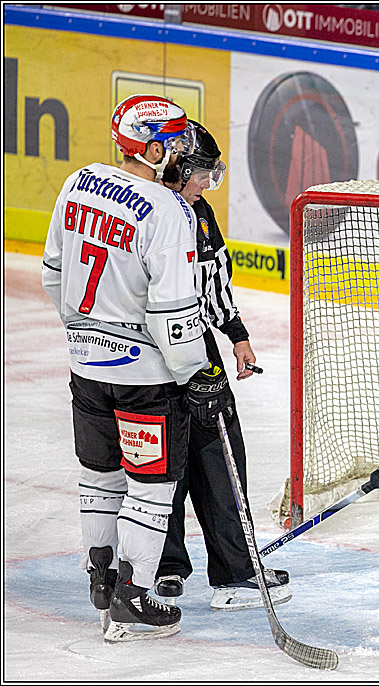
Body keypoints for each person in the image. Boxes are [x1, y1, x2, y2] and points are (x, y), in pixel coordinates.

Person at [41, 95, 208, 641]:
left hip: (85, 368)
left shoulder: (78, 182)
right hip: (144, 380)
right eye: (176, 139)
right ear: (154, 147)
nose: (182, 149)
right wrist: (196, 371)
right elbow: (174, 311)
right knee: (152, 486)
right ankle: (133, 597)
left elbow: (53, 274)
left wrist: (86, 332)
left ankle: (102, 577)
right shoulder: (168, 209)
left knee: (100, 476)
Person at [151, 121, 291, 610]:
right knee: (190, 463)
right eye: (204, 171)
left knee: (185, 459)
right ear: (180, 167)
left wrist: (237, 335)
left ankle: (194, 571)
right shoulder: (164, 214)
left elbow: (211, 283)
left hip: (161, 356)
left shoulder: (185, 211)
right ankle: (200, 572)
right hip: (170, 355)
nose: (210, 180)